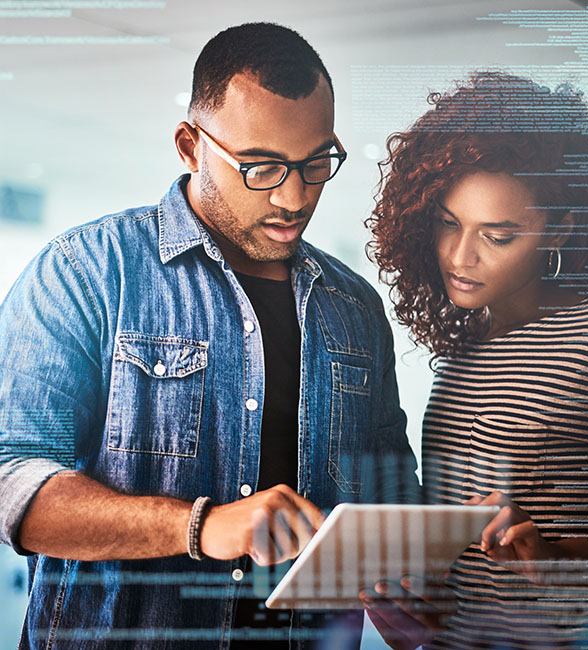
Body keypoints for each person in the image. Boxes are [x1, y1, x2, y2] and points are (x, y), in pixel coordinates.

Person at [0, 22, 419, 649]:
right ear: (190, 145)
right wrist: (200, 527)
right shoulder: (87, 271)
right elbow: (12, 482)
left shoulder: (353, 305)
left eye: (316, 162)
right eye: (261, 166)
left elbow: (389, 493)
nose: (295, 195)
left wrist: (424, 572)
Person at [362, 71, 588, 649]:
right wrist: (424, 612)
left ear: (558, 231)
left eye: (498, 235)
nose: (460, 256)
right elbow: (472, 556)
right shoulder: (462, 355)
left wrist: (557, 556)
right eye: (448, 223)